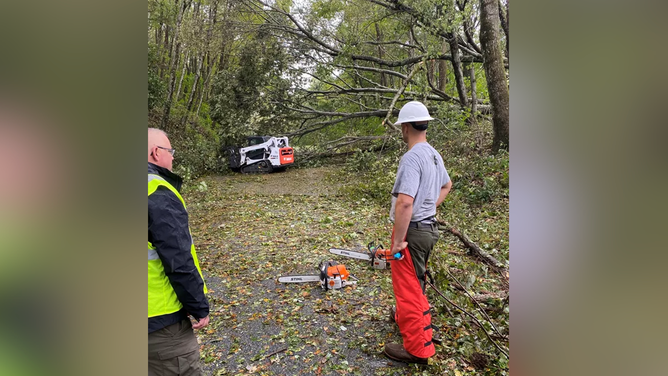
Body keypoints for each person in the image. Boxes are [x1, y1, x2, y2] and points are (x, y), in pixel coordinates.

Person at [383, 102, 452, 364]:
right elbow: (447, 185)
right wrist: (430, 206)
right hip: (428, 228)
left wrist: (399, 241)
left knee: (409, 289)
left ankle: (417, 350)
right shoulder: (434, 154)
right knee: (416, 281)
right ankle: (406, 318)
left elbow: (405, 202)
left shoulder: (412, 157)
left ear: (406, 126)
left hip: (413, 231)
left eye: (402, 126)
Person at [148, 128, 210, 376]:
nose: (172, 158)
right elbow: (178, 259)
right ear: (155, 152)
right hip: (160, 323)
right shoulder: (156, 191)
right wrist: (198, 305)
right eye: (170, 151)